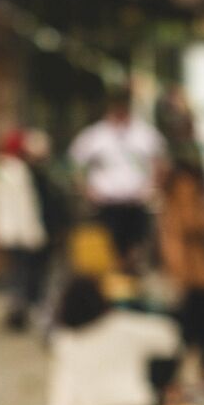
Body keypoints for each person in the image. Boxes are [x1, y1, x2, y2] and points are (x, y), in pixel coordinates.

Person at [39, 277, 180, 405]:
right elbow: (171, 336)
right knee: (160, 354)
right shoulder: (123, 326)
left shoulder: (66, 341)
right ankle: (167, 395)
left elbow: (64, 389)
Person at [68, 86, 167, 273]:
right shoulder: (95, 135)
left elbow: (160, 163)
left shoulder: (144, 133)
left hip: (136, 203)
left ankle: (131, 288)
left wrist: (153, 188)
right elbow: (76, 165)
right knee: (109, 250)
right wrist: (87, 190)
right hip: (107, 205)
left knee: (135, 250)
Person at [159, 162, 204, 390]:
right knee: (186, 327)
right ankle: (177, 376)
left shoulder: (185, 195)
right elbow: (190, 224)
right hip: (188, 273)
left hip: (200, 272)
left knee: (203, 324)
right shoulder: (181, 197)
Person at [0, 129, 51, 332]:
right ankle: (23, 311)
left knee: (16, 273)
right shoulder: (19, 172)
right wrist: (35, 234)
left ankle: (17, 310)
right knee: (26, 274)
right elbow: (26, 208)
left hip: (6, 232)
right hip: (23, 233)